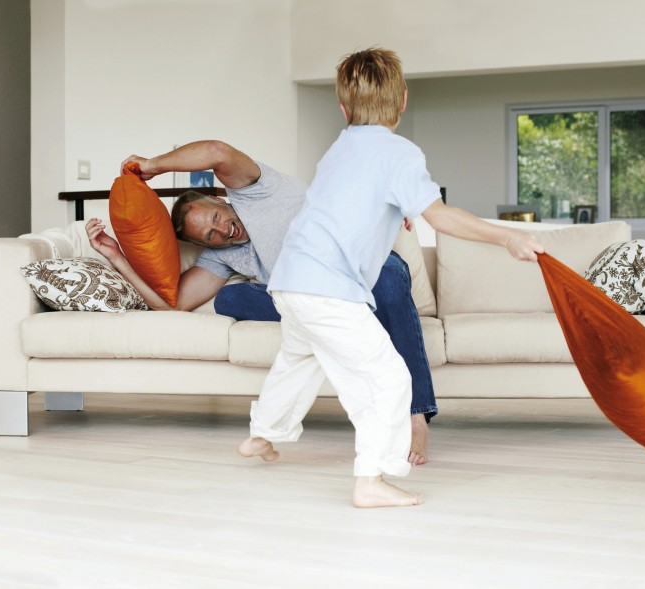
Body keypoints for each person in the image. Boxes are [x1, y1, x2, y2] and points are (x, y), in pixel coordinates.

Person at [236, 47, 544, 508]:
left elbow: (348, 203)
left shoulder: (339, 149)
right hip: (329, 289)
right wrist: (507, 237)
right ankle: (371, 479)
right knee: (389, 377)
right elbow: (440, 216)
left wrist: (395, 209)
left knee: (299, 359)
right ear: (403, 100)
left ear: (343, 109)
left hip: (290, 280)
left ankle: (263, 434)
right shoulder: (400, 152)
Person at [85, 141, 437, 464]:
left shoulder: (256, 190)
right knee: (230, 297)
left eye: (216, 218)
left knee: (387, 281)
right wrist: (116, 258)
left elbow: (217, 151)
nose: (223, 230)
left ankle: (415, 417)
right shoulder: (220, 257)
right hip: (309, 296)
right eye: (210, 235)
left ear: (222, 200)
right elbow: (172, 306)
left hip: (364, 269)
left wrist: (153, 165)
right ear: (206, 245)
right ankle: (344, 322)